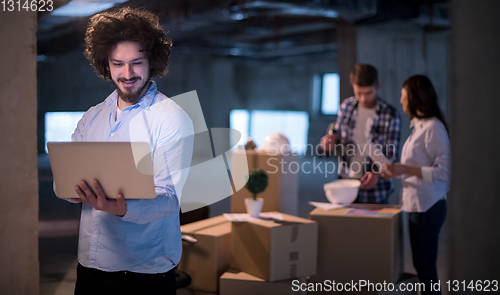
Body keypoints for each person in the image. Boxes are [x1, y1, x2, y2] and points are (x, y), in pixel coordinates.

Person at [58, 8, 194, 295]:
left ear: (152, 62)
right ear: (105, 65)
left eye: (137, 63)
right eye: (118, 63)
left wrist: (123, 208)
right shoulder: (91, 117)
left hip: (143, 270)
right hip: (90, 266)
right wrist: (73, 189)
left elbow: (171, 199)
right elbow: (68, 177)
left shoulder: (171, 116)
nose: (127, 73)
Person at [382, 75, 450, 295]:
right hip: (415, 206)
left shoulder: (434, 128)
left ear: (414, 98)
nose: (401, 101)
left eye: (403, 97)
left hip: (429, 207)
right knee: (421, 267)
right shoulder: (418, 127)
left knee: (427, 270)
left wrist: (406, 169)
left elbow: (444, 173)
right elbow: (414, 167)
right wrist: (393, 171)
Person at [320, 64, 401, 204]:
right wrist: (326, 145)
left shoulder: (390, 114)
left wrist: (377, 174)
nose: (363, 98)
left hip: (376, 191)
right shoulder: (346, 107)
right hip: (345, 185)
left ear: (378, 86)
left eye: (368, 93)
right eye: (359, 93)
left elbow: (392, 156)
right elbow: (335, 144)